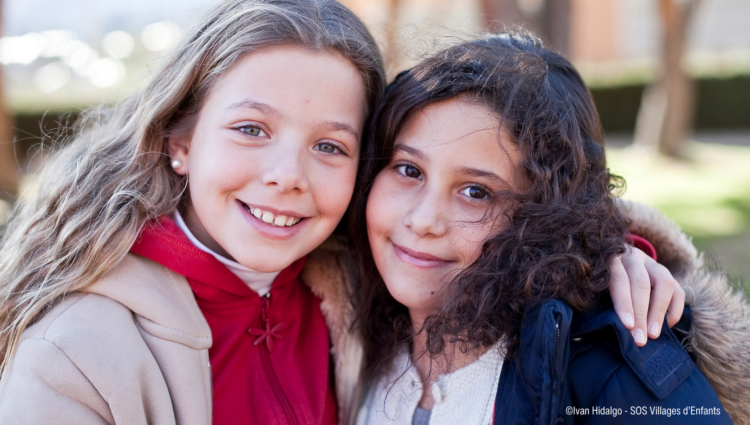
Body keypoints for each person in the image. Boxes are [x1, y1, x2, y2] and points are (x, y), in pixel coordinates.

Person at [0, 2, 687, 424]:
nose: (287, 178)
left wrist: (616, 253)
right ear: (180, 139)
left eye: (330, 145)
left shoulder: (344, 284)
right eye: (250, 129)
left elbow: (515, 213)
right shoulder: (77, 354)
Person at [346, 32, 750, 425]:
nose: (422, 219)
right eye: (408, 169)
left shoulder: (617, 376)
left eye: (476, 191)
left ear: (546, 220)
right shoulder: (344, 327)